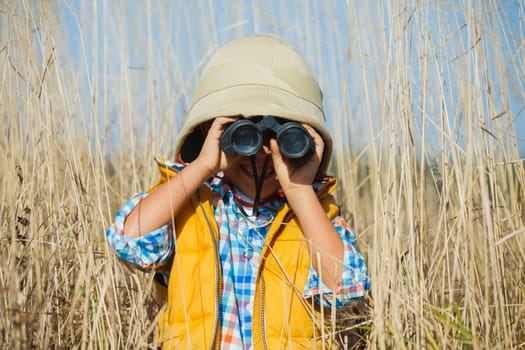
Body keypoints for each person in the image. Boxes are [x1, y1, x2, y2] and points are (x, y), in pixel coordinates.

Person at [106, 34, 369, 349]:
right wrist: (202, 165)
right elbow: (129, 241)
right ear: (209, 132)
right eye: (242, 135)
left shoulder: (314, 215)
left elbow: (345, 289)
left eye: (281, 140)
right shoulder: (192, 204)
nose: (260, 155)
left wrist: (300, 192)